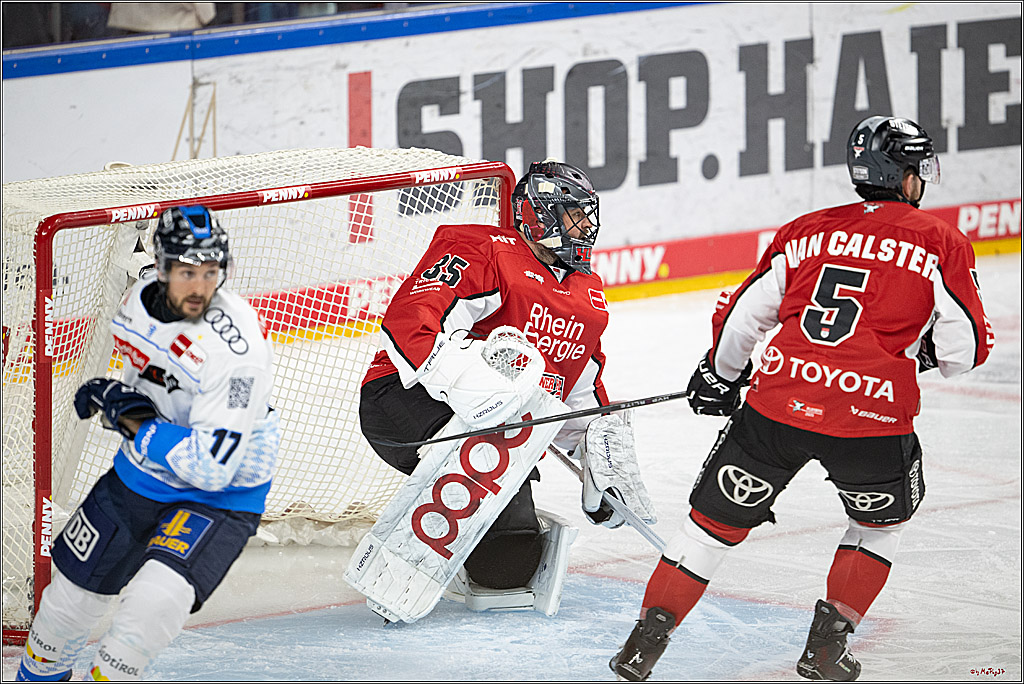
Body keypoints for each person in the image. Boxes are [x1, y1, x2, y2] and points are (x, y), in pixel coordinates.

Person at [609, 115, 993, 682]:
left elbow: (743, 317)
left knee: (707, 530)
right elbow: (968, 350)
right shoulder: (939, 241)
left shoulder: (804, 229)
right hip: (872, 419)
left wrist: (719, 375)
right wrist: (920, 350)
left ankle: (643, 646)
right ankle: (825, 649)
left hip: (776, 409)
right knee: (877, 529)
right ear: (906, 175)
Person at [359, 159, 650, 613]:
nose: (585, 228)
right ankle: (419, 543)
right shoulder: (484, 250)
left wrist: (602, 465)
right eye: (574, 215)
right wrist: (469, 381)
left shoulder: (587, 295)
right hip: (402, 400)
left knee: (507, 565)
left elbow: (578, 394)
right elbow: (408, 323)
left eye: (587, 216)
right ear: (539, 214)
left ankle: (485, 510)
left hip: (498, 435)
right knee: (482, 441)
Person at [17, 206, 279, 681]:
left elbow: (211, 468)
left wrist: (135, 421)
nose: (200, 287)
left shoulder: (239, 353)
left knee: (151, 607)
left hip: (219, 496)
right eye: (185, 272)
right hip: (139, 477)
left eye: (210, 272)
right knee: (63, 607)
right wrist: (121, 399)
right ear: (159, 268)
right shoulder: (135, 305)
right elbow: (153, 381)